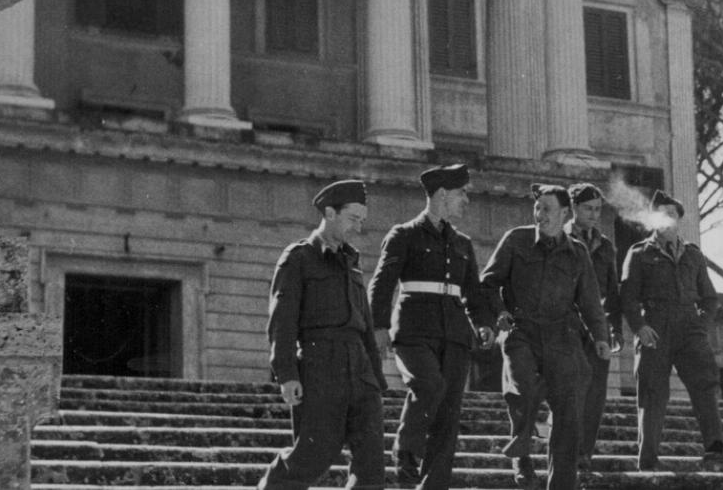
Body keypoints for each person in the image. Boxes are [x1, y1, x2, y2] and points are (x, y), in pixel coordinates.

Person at [368, 164, 496, 490]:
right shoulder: (404, 235)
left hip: (454, 336)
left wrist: (483, 324)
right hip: (413, 332)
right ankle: (407, 450)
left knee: (448, 416)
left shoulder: (463, 244)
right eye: (461, 193)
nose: (467, 199)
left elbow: (474, 293)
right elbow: (382, 284)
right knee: (428, 386)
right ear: (441, 194)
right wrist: (378, 326)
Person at [257, 179, 389, 490]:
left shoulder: (352, 263)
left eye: (361, 220)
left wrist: (376, 378)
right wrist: (287, 373)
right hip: (321, 365)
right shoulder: (299, 258)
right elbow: (282, 320)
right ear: (330, 212)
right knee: (314, 454)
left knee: (371, 463)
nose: (358, 228)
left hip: (360, 369)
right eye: (353, 219)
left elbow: (366, 326)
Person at [481, 185, 614, 490]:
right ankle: (523, 453)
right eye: (537, 208)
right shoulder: (516, 240)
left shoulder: (578, 252)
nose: (539, 215)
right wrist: (499, 312)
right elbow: (487, 284)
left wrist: (601, 337)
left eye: (546, 209)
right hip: (521, 331)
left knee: (568, 412)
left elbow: (591, 301)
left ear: (565, 213)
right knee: (523, 387)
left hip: (561, 335)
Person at [619, 190, 723, 472]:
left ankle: (715, 450)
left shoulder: (694, 255)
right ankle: (648, 459)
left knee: (705, 387)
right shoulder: (639, 254)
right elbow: (627, 297)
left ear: (678, 220)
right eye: (662, 213)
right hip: (655, 328)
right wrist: (640, 327)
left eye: (672, 214)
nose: (667, 219)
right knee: (652, 392)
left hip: (689, 329)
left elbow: (709, 297)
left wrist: (701, 324)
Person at [565, 182, 623, 475]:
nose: (594, 214)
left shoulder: (606, 246)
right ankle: (567, 449)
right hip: (566, 326)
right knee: (570, 390)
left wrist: (616, 330)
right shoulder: (558, 239)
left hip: (598, 329)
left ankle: (584, 452)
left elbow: (613, 291)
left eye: (598, 209)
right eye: (588, 208)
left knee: (595, 394)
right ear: (573, 208)